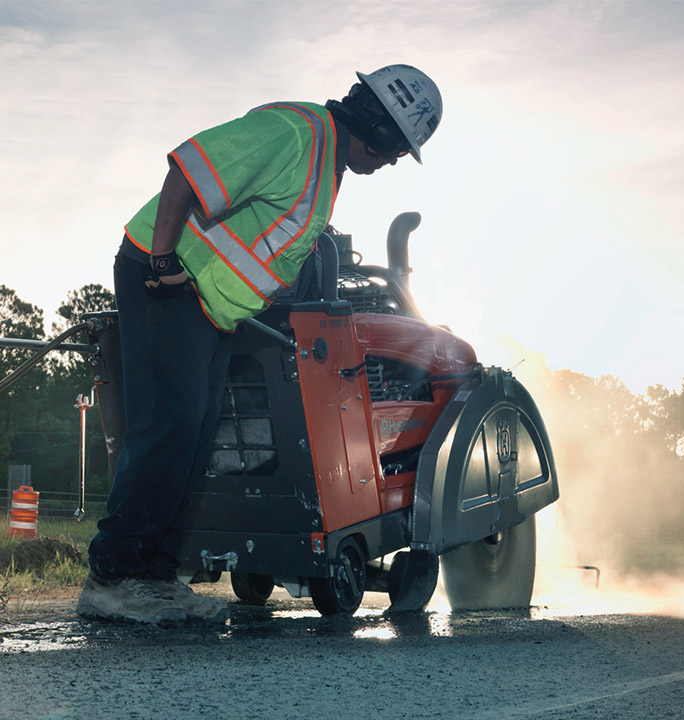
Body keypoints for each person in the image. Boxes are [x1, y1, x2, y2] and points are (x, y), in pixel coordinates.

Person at [77, 64, 443, 624]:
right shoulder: (297, 134)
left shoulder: (328, 165)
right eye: (397, 149)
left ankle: (152, 576)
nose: (393, 161)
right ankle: (113, 575)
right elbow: (188, 167)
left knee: (196, 437)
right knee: (167, 427)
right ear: (382, 128)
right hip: (167, 282)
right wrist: (161, 260)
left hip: (210, 309)